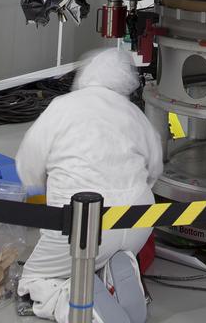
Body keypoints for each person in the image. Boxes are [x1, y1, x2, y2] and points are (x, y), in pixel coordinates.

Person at [16, 47, 163, 323]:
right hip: (138, 222)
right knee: (105, 252)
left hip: (81, 225)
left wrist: (36, 189)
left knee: (36, 278)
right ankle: (120, 265)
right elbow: (154, 169)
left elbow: (28, 162)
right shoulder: (134, 114)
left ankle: (82, 301)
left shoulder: (63, 106)